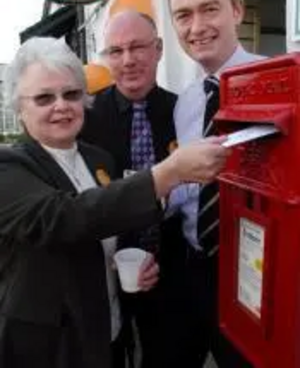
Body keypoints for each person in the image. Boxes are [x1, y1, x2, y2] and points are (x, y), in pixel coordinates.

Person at [0, 36, 229, 368]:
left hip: (108, 333)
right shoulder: (9, 167)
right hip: (51, 347)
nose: (61, 105)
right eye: (44, 98)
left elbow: (107, 223)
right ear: (20, 108)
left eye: (71, 94)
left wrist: (125, 262)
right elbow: (65, 217)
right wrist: (166, 174)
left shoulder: (98, 159)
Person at [166, 0, 266, 367]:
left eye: (210, 8)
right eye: (183, 15)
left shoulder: (283, 82)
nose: (196, 27)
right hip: (193, 270)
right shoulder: (185, 102)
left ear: (237, 10)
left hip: (256, 275)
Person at [81, 9, 184, 368]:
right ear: (106, 58)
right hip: (106, 269)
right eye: (116, 51)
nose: (127, 60)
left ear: (158, 49)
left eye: (138, 47)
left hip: (173, 267)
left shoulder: (184, 110)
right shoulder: (86, 118)